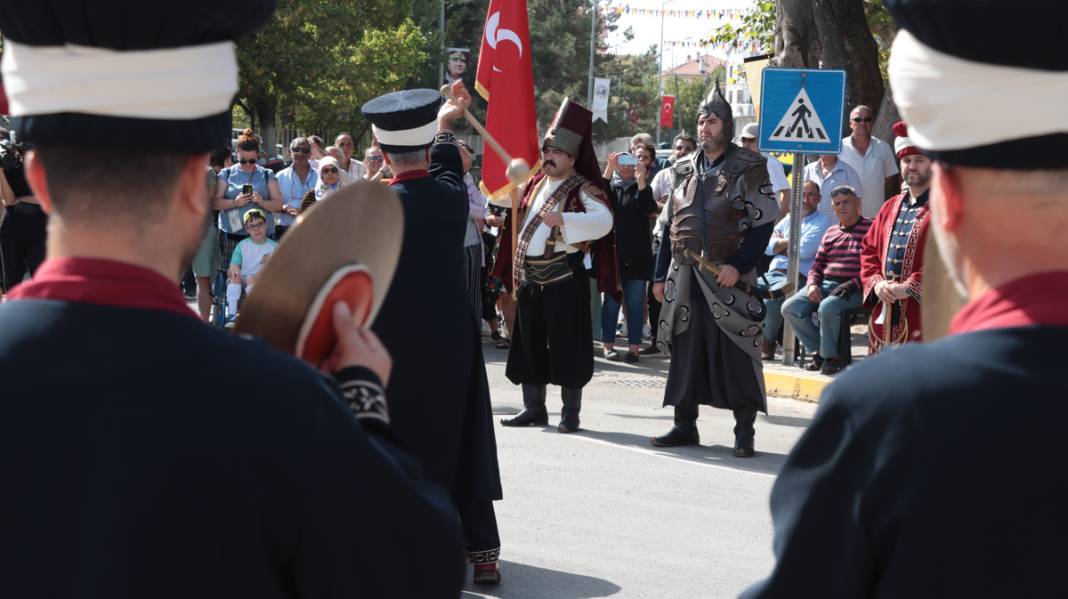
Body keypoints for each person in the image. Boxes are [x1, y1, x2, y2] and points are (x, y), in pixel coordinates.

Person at [0, 3, 465, 596]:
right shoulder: (282, 400)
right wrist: (362, 401)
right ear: (197, 183)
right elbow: (416, 569)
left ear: (39, 178)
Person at [743, 1, 1068, 595]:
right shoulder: (891, 212)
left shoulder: (889, 414)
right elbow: (873, 255)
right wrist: (877, 286)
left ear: (951, 206)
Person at [362, 83, 504, 585]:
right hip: (453, 340)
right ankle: (483, 553)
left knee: (401, 439)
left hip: (394, 342)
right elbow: (446, 162)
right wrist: (446, 118)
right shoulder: (449, 198)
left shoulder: (374, 206)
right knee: (465, 435)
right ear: (425, 149)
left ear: (382, 155)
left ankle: (411, 545)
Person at [649, 81, 778, 457]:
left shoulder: (750, 167)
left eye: (713, 121)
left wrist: (739, 266)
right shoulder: (680, 169)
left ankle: (744, 432)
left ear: (727, 126)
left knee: (737, 351)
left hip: (728, 277)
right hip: (685, 276)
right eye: (701, 121)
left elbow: (763, 224)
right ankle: (684, 425)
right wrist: (659, 275)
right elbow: (669, 226)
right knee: (686, 350)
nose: (705, 127)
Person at [490, 98, 617, 434]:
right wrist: (506, 187)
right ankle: (533, 408)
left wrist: (565, 219)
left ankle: (570, 412)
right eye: (547, 150)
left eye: (557, 152)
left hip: (564, 279)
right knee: (529, 346)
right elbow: (498, 201)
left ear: (572, 158)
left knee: (568, 347)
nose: (549, 156)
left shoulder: (582, 189)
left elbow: (604, 221)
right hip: (530, 280)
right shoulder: (533, 184)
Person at [781, 186, 871, 374]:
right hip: (826, 283)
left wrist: (852, 284)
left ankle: (829, 358)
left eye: (846, 202)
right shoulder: (830, 232)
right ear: (833, 208)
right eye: (837, 204)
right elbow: (817, 265)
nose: (842, 207)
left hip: (856, 288)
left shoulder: (871, 229)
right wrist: (812, 284)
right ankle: (824, 351)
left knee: (828, 307)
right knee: (790, 307)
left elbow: (874, 266)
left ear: (857, 203)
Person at [860, 121, 931, 351]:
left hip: (925, 315)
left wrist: (910, 287)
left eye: (919, 160)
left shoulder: (946, 209)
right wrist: (877, 283)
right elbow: (869, 251)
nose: (912, 166)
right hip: (884, 312)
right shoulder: (889, 207)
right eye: (906, 160)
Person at [759, 181, 833, 359]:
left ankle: (767, 342)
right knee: (738, 289)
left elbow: (803, 251)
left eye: (811, 195)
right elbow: (766, 247)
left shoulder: (823, 221)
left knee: (773, 295)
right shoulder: (788, 220)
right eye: (802, 195)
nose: (805, 200)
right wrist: (793, 240)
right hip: (771, 274)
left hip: (798, 277)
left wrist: (780, 245)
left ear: (819, 199)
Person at [602, 146, 657, 362]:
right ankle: (608, 345)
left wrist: (641, 179)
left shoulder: (642, 188)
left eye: (630, 162)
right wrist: (609, 168)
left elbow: (648, 207)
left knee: (635, 303)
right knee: (611, 302)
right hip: (614, 256)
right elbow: (599, 197)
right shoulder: (611, 187)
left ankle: (634, 348)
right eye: (621, 162)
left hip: (638, 256)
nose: (626, 167)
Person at [645, 133, 697, 354]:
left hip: (689, 244)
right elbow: (650, 204)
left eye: (687, 148)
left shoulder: (699, 175)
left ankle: (682, 340)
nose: (682, 152)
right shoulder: (664, 175)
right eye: (679, 148)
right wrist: (667, 206)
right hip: (662, 238)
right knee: (656, 289)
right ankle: (657, 340)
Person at [212, 128, 283, 267]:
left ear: (258, 155)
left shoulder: (267, 174)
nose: (248, 165)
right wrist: (234, 202)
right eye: (243, 161)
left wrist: (262, 202)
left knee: (261, 274)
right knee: (233, 273)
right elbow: (215, 203)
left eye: (252, 161)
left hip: (262, 236)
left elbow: (278, 205)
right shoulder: (226, 174)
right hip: (233, 235)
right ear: (237, 153)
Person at [0, 137, 45, 293]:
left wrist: (21, 199)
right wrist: (1, 172)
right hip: (13, 230)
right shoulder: (11, 171)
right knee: (12, 279)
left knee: (40, 278)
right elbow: (9, 200)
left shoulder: (47, 172)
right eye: (23, 151)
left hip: (39, 230)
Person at [839, 104, 900, 218]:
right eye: (858, 120)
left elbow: (891, 185)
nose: (862, 123)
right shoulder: (840, 148)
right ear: (850, 123)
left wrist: (888, 213)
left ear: (872, 123)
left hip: (877, 218)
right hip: (847, 219)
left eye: (867, 119)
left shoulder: (883, 148)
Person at [191, 147, 229, 321]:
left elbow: (206, 202)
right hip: (178, 231)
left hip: (201, 230)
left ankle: (204, 322)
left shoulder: (208, 173)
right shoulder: (170, 170)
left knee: (203, 279)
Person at [225, 209, 276, 323]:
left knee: (251, 279)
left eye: (260, 224)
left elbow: (280, 267)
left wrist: (270, 262)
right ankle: (232, 314)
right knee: (235, 277)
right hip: (243, 278)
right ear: (247, 229)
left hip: (264, 280)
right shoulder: (242, 245)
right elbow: (234, 265)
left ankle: (254, 312)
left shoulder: (273, 247)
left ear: (266, 224)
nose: (256, 229)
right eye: (252, 226)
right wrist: (234, 272)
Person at [460, 141, 488, 326]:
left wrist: (462, 204)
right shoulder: (441, 177)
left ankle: (472, 336)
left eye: (468, 154)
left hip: (469, 245)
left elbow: (482, 211)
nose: (467, 158)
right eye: (463, 153)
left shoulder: (468, 178)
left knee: (471, 297)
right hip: (448, 246)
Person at [738, 122, 792, 217]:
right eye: (744, 140)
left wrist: (780, 218)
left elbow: (787, 192)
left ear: (761, 141)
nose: (746, 144)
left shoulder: (771, 163)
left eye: (751, 140)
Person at [274, 136, 317, 239]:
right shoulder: (280, 176)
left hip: (313, 228)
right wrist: (284, 208)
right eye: (296, 149)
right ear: (290, 152)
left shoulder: (319, 176)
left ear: (310, 154)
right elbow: (273, 202)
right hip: (285, 229)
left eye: (305, 150)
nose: (301, 153)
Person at [803, 152, 863, 219]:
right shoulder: (808, 170)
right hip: (811, 224)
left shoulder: (848, 172)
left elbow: (857, 203)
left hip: (837, 224)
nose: (823, 149)